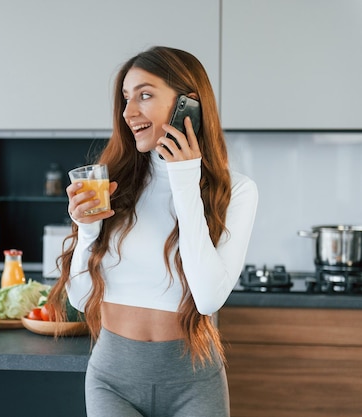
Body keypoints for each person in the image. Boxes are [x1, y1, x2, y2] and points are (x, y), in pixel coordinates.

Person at [46, 46, 258, 417]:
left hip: (194, 380)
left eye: (144, 95)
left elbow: (207, 299)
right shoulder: (112, 182)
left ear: (187, 105)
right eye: (126, 98)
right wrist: (86, 231)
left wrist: (185, 182)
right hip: (112, 378)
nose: (129, 113)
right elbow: (80, 301)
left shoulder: (237, 191)